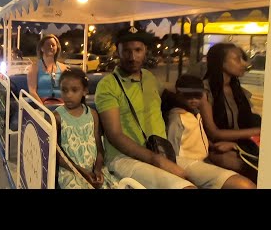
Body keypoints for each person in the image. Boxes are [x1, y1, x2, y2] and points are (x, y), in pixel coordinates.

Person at [94, 25, 254, 189]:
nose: (133, 57)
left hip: (161, 151)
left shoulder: (149, 78)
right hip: (124, 158)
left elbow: (174, 94)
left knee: (241, 184)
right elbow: (115, 135)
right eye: (126, 51)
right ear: (117, 52)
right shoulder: (108, 85)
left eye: (138, 50)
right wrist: (156, 160)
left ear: (145, 51)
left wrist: (198, 98)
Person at [167, 74, 255, 189]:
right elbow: (172, 145)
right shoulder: (177, 118)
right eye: (188, 96)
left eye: (197, 96)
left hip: (202, 159)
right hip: (188, 163)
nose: (193, 100)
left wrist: (211, 145)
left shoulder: (195, 113)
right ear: (179, 95)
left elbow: (198, 135)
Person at [199, 42, 261, 183]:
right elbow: (214, 133)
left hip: (243, 145)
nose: (244, 64)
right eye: (238, 59)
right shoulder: (205, 91)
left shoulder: (239, 91)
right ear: (220, 62)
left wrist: (240, 144)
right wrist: (258, 131)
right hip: (216, 148)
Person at [54, 68, 125, 189]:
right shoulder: (57, 117)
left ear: (84, 91)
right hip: (71, 172)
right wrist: (80, 171)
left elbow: (99, 147)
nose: (68, 95)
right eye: (64, 90)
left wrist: (97, 170)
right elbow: (56, 154)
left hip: (93, 170)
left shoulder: (92, 115)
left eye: (74, 90)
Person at [27, 34, 67, 103]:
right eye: (48, 45)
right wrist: (43, 108)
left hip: (60, 105)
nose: (51, 47)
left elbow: (67, 90)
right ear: (42, 48)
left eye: (53, 45)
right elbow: (32, 92)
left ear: (57, 48)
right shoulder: (34, 67)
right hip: (41, 105)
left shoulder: (64, 68)